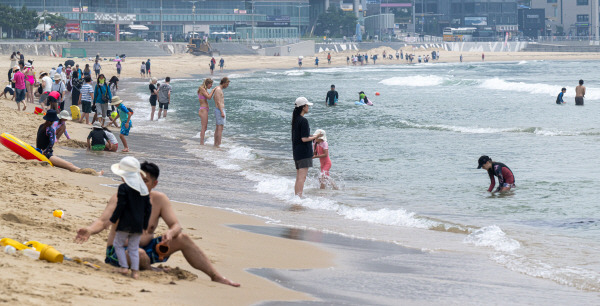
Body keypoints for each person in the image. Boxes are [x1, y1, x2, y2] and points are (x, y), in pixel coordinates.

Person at [74, 161, 240, 287]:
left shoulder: (159, 200)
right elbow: (103, 221)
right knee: (138, 254)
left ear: (154, 184)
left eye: (145, 181)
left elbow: (176, 225)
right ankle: (151, 269)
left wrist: (171, 233)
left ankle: (215, 275)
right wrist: (89, 230)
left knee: (183, 238)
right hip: (118, 254)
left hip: (149, 249)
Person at [109, 157, 152, 279]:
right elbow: (148, 209)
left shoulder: (124, 188)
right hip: (138, 223)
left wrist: (113, 219)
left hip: (125, 222)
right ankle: (135, 272)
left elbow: (121, 205)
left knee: (118, 244)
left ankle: (123, 267)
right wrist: (144, 225)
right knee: (134, 248)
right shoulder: (143, 189)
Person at [36, 110, 103, 174]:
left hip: (39, 150)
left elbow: (38, 139)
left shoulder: (41, 126)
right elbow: (51, 143)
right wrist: (46, 152)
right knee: (70, 166)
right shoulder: (50, 129)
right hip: (47, 155)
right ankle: (95, 173)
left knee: (70, 166)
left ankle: (94, 173)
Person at [291, 97, 322, 197]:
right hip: (304, 152)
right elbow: (304, 139)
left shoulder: (295, 120)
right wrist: (316, 136)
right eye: (307, 105)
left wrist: (313, 136)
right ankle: (298, 198)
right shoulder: (303, 120)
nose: (308, 107)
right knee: (302, 177)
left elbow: (301, 137)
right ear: (303, 107)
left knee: (298, 177)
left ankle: (296, 197)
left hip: (297, 152)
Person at [197, 78, 215, 145]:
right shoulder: (202, 89)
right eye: (211, 84)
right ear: (208, 83)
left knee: (205, 127)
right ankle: (201, 143)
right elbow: (209, 97)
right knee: (203, 127)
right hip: (203, 110)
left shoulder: (204, 89)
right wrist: (213, 90)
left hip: (205, 109)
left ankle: (202, 141)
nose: (211, 86)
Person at [213, 77, 229, 147]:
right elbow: (218, 102)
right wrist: (222, 112)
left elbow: (214, 98)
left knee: (218, 127)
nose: (227, 86)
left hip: (219, 109)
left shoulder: (218, 89)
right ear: (224, 83)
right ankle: (218, 144)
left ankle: (216, 144)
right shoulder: (218, 90)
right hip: (220, 110)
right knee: (220, 128)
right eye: (227, 84)